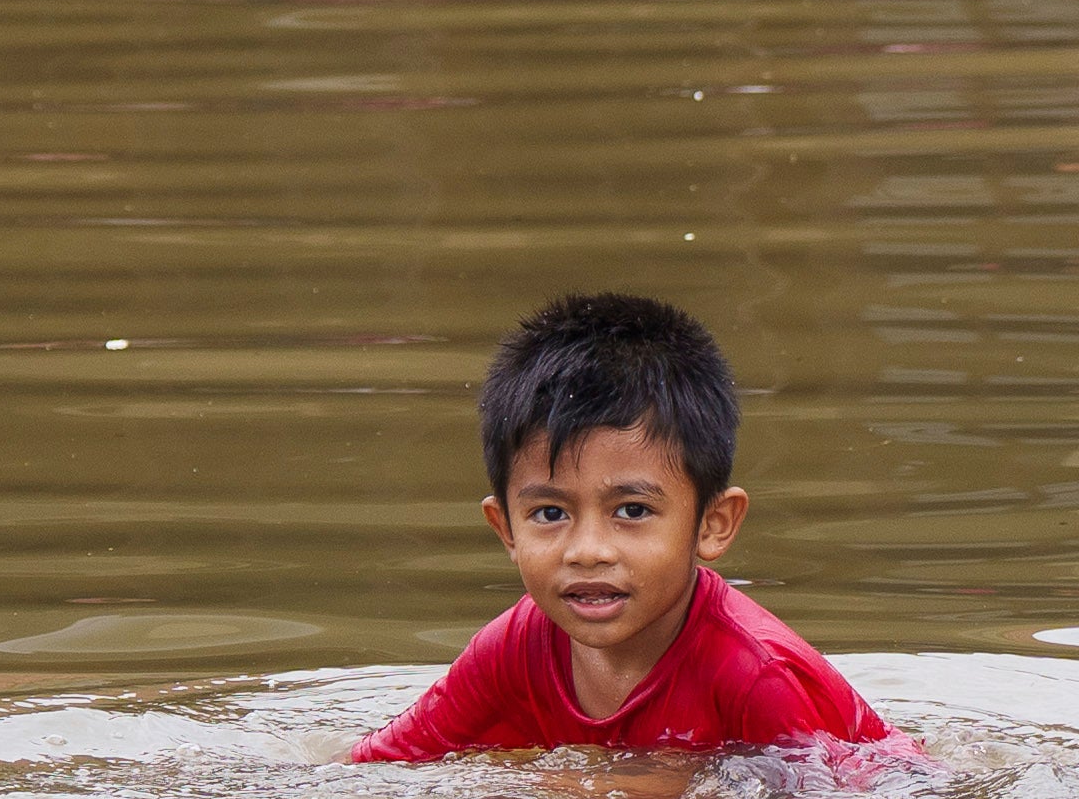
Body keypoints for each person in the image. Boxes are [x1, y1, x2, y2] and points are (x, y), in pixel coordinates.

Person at [358, 291, 893, 762]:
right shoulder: (513, 649)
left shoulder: (757, 677)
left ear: (713, 524)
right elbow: (379, 767)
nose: (587, 551)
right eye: (550, 514)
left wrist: (608, 790)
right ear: (506, 531)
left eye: (632, 511)